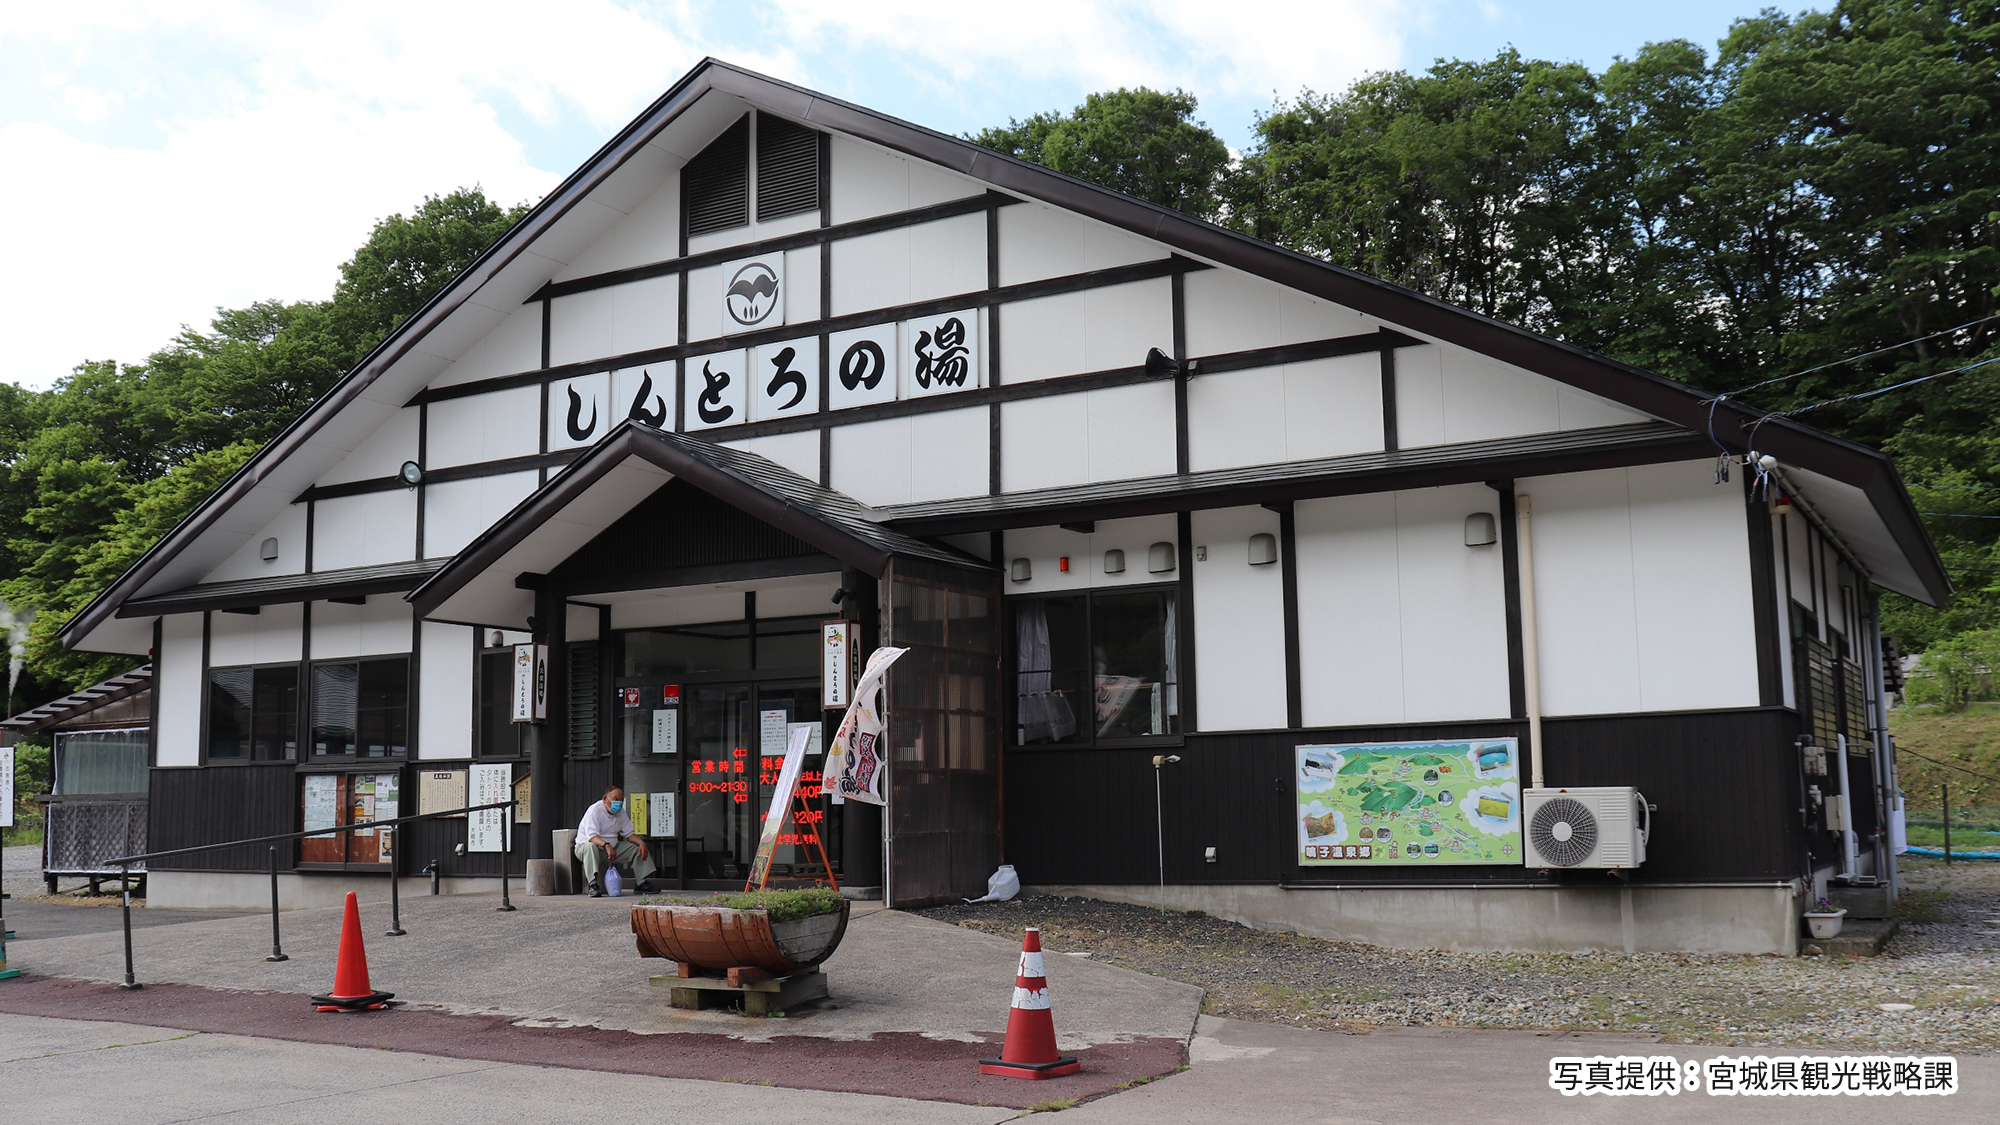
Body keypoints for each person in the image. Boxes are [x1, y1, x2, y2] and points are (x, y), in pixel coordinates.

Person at [575, 786, 655, 896]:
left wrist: (641, 843)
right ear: (605, 799)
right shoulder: (595, 811)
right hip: (588, 848)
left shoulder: (621, 812)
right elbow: (592, 837)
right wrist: (606, 845)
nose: (619, 803)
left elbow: (629, 833)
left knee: (636, 848)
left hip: (612, 848)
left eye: (621, 800)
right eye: (615, 799)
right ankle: (593, 885)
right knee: (590, 847)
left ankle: (641, 883)